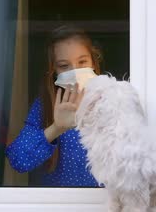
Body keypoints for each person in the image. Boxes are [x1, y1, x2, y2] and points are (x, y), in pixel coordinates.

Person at [6, 25, 102, 186]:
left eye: (82, 61)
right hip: (55, 207)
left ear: (93, 61)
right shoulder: (46, 105)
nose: (75, 71)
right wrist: (56, 128)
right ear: (53, 70)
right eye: (64, 65)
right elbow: (18, 160)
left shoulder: (113, 101)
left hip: (103, 207)